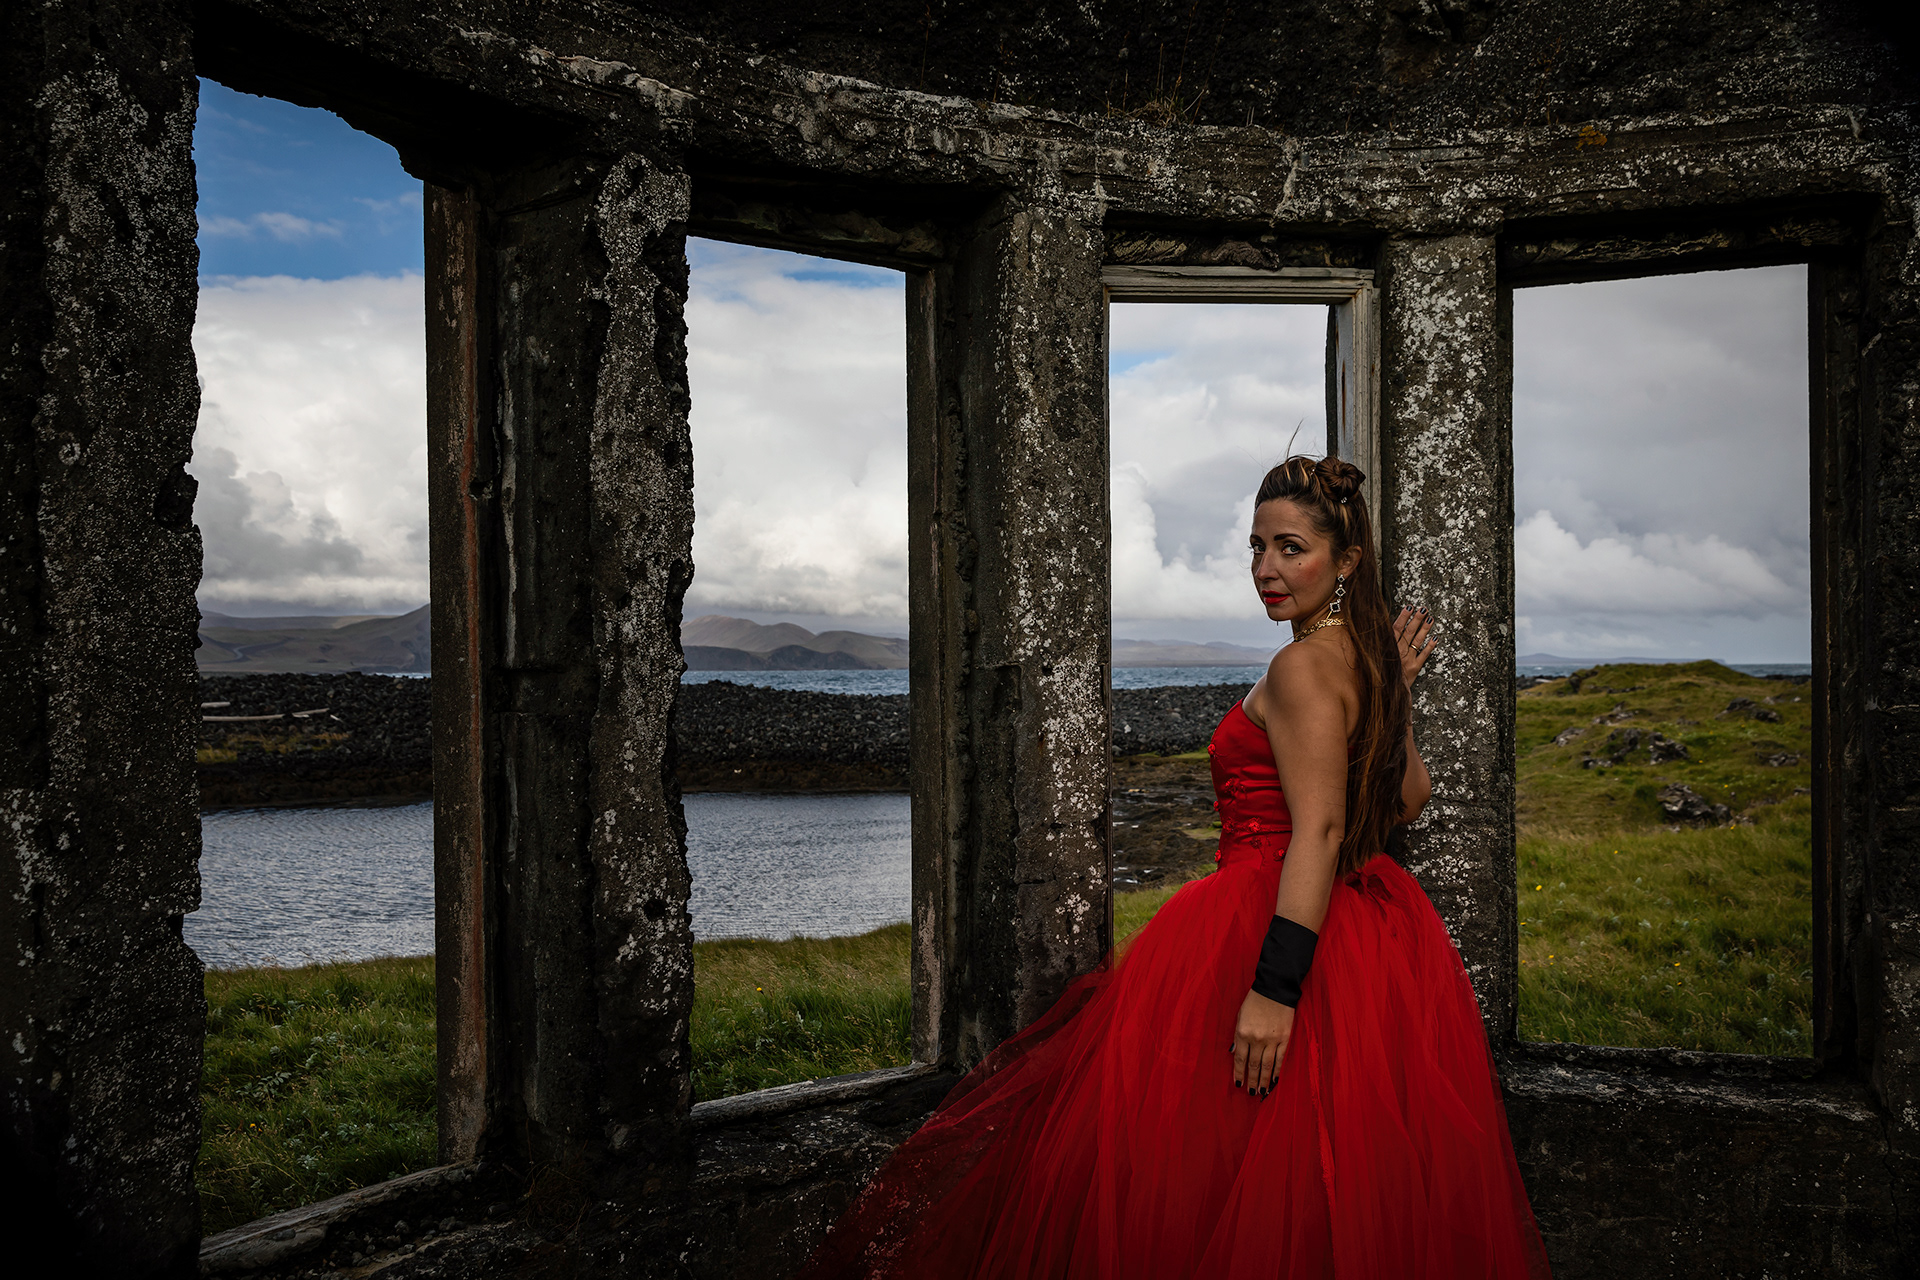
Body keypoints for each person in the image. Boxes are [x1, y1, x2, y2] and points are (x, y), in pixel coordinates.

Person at [800, 456, 1551, 1279]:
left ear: (1346, 560)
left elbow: (1325, 827)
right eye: (1256, 548)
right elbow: (1407, 799)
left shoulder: (1301, 666)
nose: (1266, 570)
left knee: (1210, 1172)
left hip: (1275, 925)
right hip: (1366, 931)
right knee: (1318, 1175)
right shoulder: (1362, 659)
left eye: (1290, 548)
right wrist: (1396, 696)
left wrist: (1274, 989)